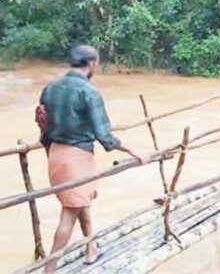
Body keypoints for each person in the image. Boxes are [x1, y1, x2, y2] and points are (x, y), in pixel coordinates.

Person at [38, 45, 145, 272]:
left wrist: (49, 148)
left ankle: (91, 248)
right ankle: (49, 270)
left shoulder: (50, 88)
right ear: (92, 63)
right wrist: (134, 151)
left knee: (79, 202)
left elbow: (43, 124)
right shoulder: (89, 92)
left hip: (55, 153)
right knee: (68, 215)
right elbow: (104, 135)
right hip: (76, 158)